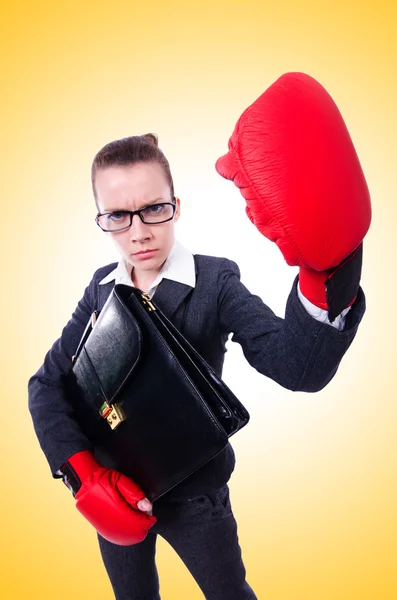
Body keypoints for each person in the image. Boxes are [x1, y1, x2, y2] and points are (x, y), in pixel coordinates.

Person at [28, 78, 369, 598]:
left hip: (197, 497)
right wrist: (83, 474)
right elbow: (45, 385)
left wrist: (327, 284)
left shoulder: (216, 280)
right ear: (100, 218)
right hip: (115, 492)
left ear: (176, 206)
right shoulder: (99, 287)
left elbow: (295, 366)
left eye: (153, 209)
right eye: (118, 216)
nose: (138, 231)